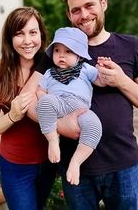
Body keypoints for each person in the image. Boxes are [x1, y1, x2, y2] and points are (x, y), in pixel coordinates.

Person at [31, 0, 138, 209]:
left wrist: (122, 80)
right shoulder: (56, 52)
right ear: (69, 15)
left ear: (103, 3)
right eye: (76, 10)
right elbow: (30, 99)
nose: (84, 15)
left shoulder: (131, 46)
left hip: (123, 165)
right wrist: (60, 126)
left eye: (89, 5)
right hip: (76, 167)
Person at [0, 7, 57, 210]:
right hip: (16, 167)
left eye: (33, 32)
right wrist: (12, 117)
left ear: (41, 34)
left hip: (49, 162)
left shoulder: (54, 69)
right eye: (19, 34)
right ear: (10, 39)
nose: (27, 40)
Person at [36, 27, 107, 185]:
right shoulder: (49, 73)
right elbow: (40, 90)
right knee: (45, 102)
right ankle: (53, 140)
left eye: (68, 51)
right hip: (59, 104)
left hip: (81, 109)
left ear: (79, 55)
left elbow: (101, 81)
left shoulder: (85, 69)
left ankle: (76, 162)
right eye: (57, 50)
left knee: (94, 126)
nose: (61, 55)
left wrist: (103, 69)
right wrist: (43, 97)